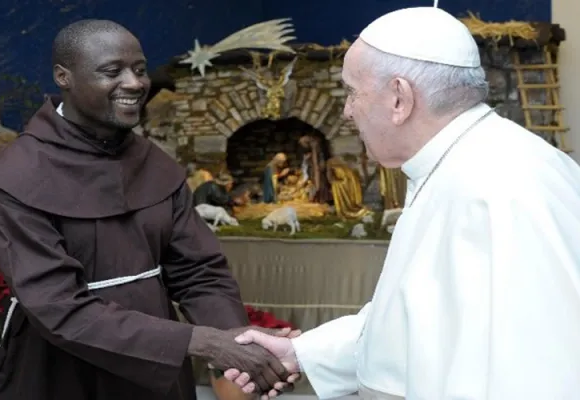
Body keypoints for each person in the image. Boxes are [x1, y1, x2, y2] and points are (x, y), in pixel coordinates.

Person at [224, 7, 580, 400]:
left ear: (399, 99)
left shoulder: (504, 188)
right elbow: (413, 322)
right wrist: (300, 353)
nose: (346, 111)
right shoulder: (456, 165)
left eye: (352, 93)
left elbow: (540, 375)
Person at [0, 19, 299, 400]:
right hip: (61, 369)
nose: (134, 83)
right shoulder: (14, 176)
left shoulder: (154, 163)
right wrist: (204, 342)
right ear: (64, 76)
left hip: (158, 366)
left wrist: (236, 340)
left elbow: (199, 269)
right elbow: (58, 306)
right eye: (112, 71)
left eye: (140, 69)